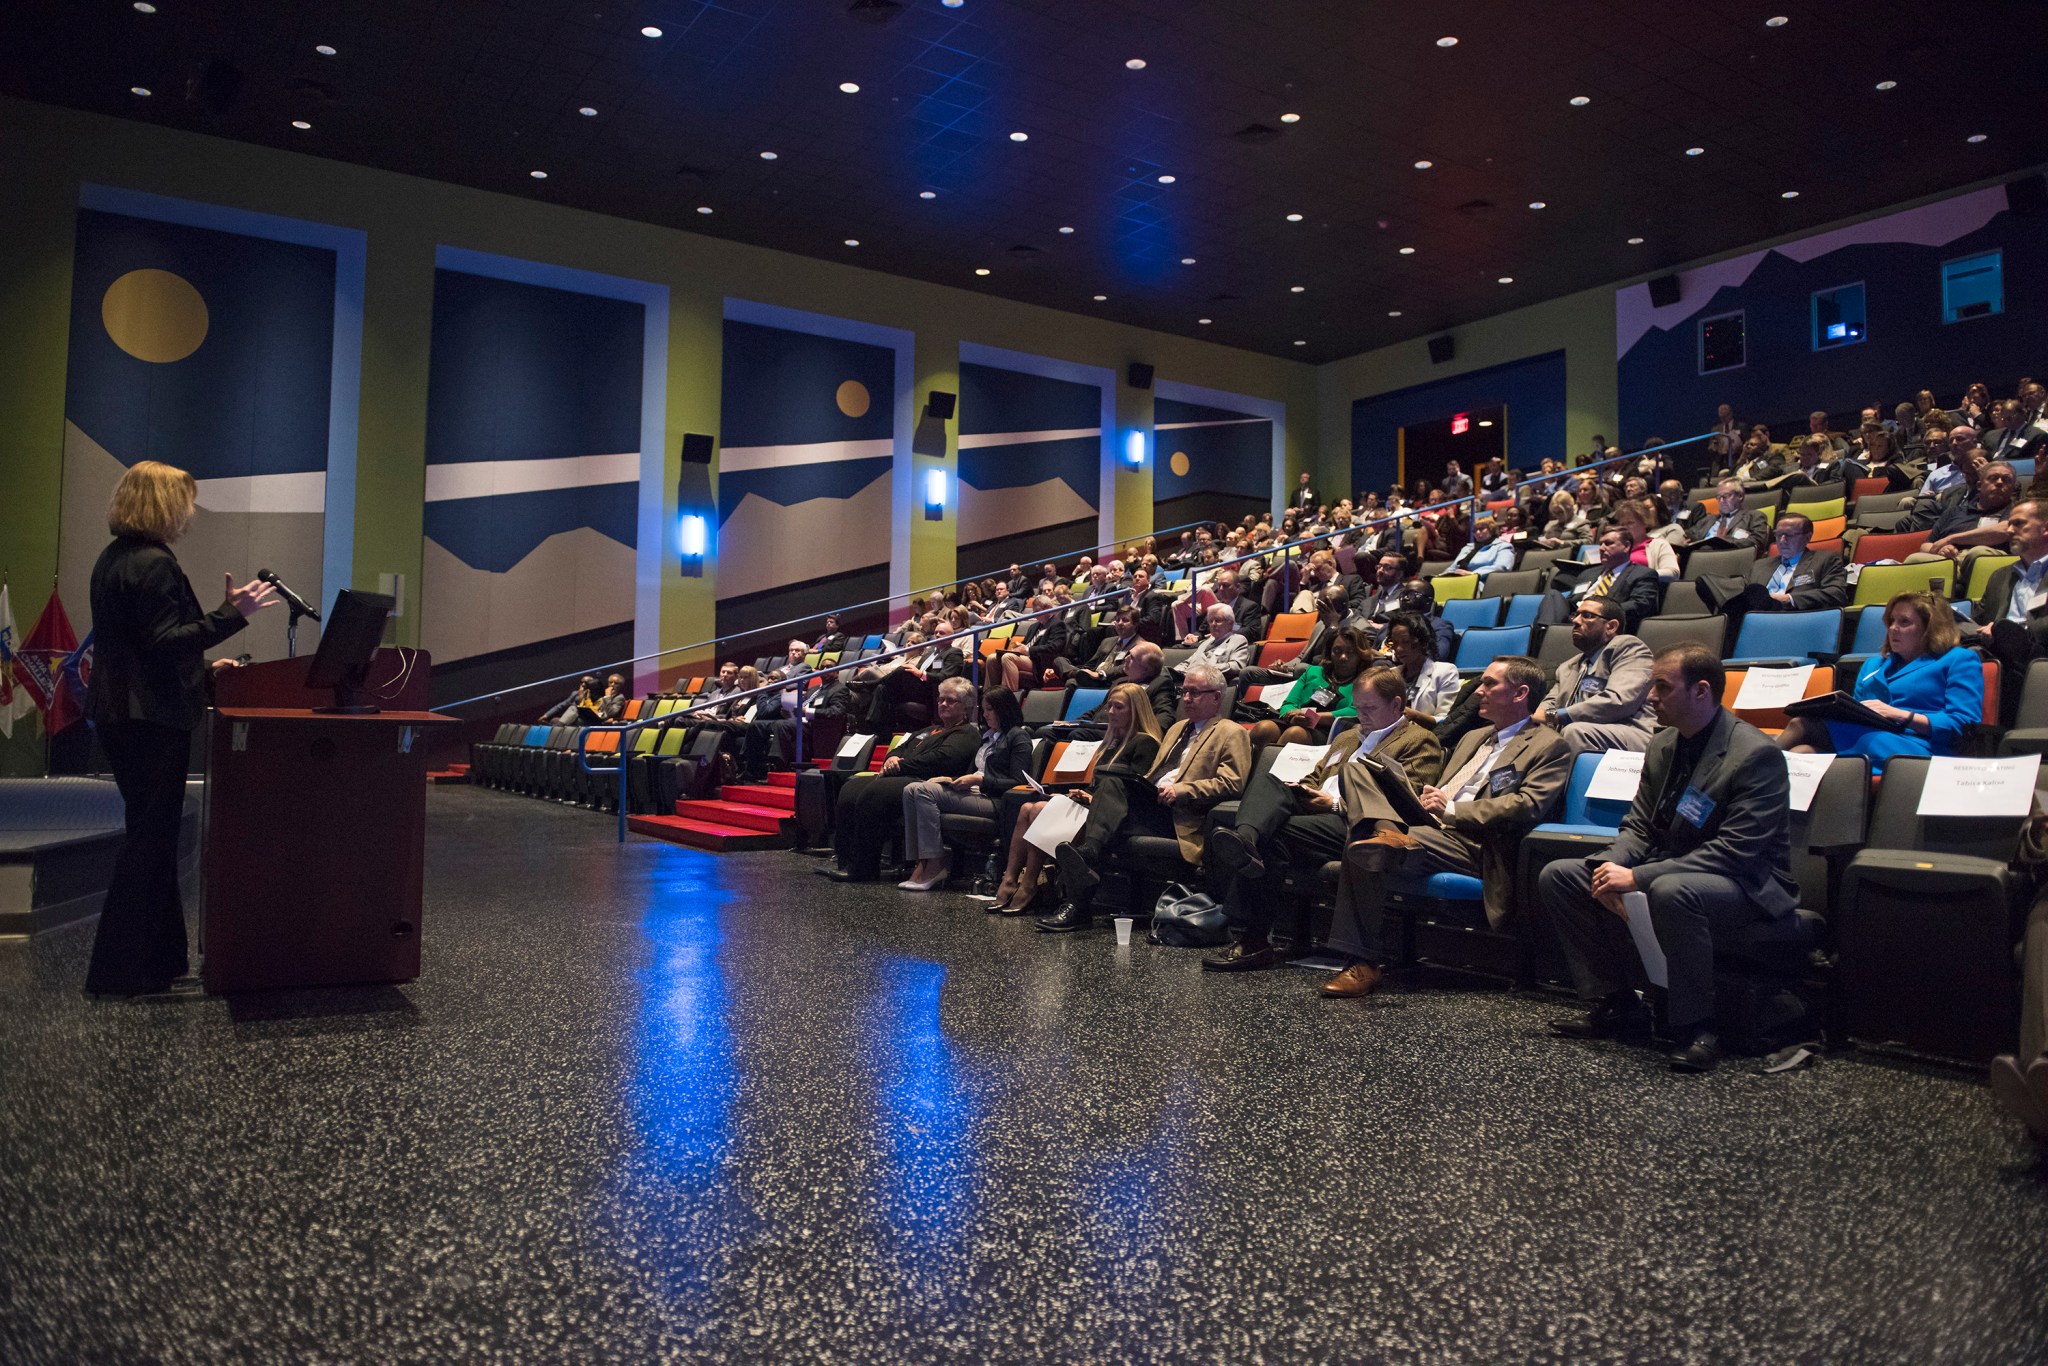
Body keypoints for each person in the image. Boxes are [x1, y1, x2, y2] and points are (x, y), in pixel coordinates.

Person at [1539, 643, 1800, 1074]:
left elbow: (1735, 852)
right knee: (1563, 875)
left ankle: (1697, 1027)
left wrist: (1637, 876)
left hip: (1747, 884)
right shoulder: (1662, 744)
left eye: (1662, 686)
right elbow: (1638, 826)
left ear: (1701, 691)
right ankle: (1618, 1004)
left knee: (1671, 889)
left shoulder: (1755, 754)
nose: (1650, 697)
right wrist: (1610, 869)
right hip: (1676, 870)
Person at [84, 460, 277, 998]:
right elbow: (166, 641)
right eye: (184, 502)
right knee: (148, 843)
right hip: (151, 721)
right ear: (165, 505)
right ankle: (118, 973)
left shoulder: (114, 559)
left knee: (153, 838)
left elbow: (141, 646)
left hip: (123, 714)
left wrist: (204, 672)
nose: (189, 513)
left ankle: (160, 961)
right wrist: (230, 615)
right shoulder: (155, 564)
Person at [1318, 657, 1573, 998]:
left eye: (1489, 684)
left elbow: (1527, 804)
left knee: (1362, 845)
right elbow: (1438, 786)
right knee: (1359, 769)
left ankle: (1361, 961)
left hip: (1476, 843)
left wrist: (1453, 809)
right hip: (1428, 827)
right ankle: (1384, 832)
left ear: (1520, 693)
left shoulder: (1550, 745)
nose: (1478, 691)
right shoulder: (1474, 737)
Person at [1202, 667, 1444, 971]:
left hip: (1357, 823)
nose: (1362, 715)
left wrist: (1333, 804)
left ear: (1396, 705)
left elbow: (1404, 799)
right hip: (1316, 814)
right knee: (1273, 778)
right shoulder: (1346, 737)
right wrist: (1305, 790)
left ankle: (1253, 938)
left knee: (1274, 836)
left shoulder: (1419, 740)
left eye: (1370, 708)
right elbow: (1316, 776)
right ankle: (1246, 839)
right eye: (1358, 707)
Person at [1039, 662, 1250, 933]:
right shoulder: (1176, 729)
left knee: (1110, 792)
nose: (1186, 698)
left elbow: (1233, 782)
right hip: (1152, 801)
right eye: (1184, 691)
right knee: (1109, 787)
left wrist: (1183, 790)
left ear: (1217, 697)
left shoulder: (1231, 732)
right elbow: (1153, 773)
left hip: (1179, 814)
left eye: (1194, 693)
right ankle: (1080, 888)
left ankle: (1080, 893)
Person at [994, 682, 1162, 914]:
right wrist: (1085, 795)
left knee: (1039, 810)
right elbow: (1103, 787)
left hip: (1118, 819)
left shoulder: (1145, 743)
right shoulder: (1111, 743)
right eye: (1109, 706)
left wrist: (1093, 800)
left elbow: (1132, 792)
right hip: (1097, 807)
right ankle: (1011, 879)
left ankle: (1029, 885)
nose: (1111, 712)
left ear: (1136, 710)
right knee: (1027, 808)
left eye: (1119, 707)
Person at [1775, 591, 1982, 770]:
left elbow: (1964, 723)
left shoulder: (1958, 660)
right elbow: (1856, 714)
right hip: (1868, 738)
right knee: (1802, 753)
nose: (1893, 628)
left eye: (1904, 622)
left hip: (1920, 746)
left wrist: (1902, 715)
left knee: (1802, 725)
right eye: (1891, 621)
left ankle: (1749, 771)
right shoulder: (1873, 665)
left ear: (1930, 628)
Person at [821, 677, 981, 883]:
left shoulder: (967, 733)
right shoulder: (929, 729)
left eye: (951, 701)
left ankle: (864, 868)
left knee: (875, 794)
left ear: (966, 705)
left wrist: (899, 767)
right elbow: (900, 748)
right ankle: (846, 861)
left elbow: (941, 760)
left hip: (927, 782)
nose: (943, 704)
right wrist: (891, 758)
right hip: (904, 775)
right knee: (851, 788)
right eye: (941, 699)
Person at [897, 687, 1034, 892]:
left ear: (1003, 709)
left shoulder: (1018, 737)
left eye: (990, 710)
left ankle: (935, 864)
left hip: (995, 800)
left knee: (923, 791)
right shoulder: (988, 736)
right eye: (984, 710)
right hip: (974, 794)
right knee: (911, 789)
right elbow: (973, 772)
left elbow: (1018, 782)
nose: (985, 714)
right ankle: (922, 863)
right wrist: (949, 779)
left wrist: (979, 782)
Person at [1535, 599, 1657, 754]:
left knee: (1576, 732)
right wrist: (1534, 720)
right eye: (1576, 615)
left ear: (1611, 626)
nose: (1576, 621)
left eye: (1587, 615)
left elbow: (1619, 700)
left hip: (1630, 730)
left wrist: (1553, 716)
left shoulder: (1628, 648)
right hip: (1580, 730)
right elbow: (1550, 703)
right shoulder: (1568, 666)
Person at [1694, 513, 1847, 619]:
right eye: (1779, 535)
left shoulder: (1826, 559)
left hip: (1791, 614)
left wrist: (1788, 599)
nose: (1782, 540)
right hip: (1753, 612)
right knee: (1705, 581)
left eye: (1789, 535)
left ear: (1808, 537)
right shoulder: (1761, 565)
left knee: (1752, 595)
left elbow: (1836, 594)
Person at [1247, 624, 1372, 748]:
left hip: (1327, 731)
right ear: (1330, 653)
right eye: (1337, 651)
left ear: (1360, 654)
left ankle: (1266, 767)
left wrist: (1314, 717)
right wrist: (1292, 716)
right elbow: (1289, 703)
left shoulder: (1364, 682)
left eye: (1351, 652)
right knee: (1263, 729)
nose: (1343, 657)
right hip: (1296, 722)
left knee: (1295, 734)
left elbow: (1355, 711)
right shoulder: (1313, 672)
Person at [1564, 527, 1662, 631]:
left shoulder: (1642, 574)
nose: (1601, 548)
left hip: (1607, 626)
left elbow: (1639, 604)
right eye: (1600, 544)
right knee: (1554, 596)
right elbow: (1572, 600)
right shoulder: (1587, 573)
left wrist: (1597, 609)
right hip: (1574, 620)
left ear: (1626, 546)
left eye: (1608, 543)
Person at [1385, 612, 1460, 727]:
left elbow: (1447, 721)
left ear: (1422, 642)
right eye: (1395, 643)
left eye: (1405, 642)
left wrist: (1416, 716)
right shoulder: (1391, 674)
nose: (1398, 649)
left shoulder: (1445, 672)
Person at [1177, 602, 1252, 683]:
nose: (1213, 624)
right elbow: (1187, 663)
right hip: (1188, 681)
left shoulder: (1238, 640)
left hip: (1211, 685)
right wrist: (1176, 672)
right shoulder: (1205, 643)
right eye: (1210, 621)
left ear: (1230, 623)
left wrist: (1204, 671)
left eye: (1218, 620)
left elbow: (1237, 666)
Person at [1684, 480, 1771, 547]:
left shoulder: (1754, 516)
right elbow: (1689, 534)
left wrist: (1721, 543)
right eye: (1718, 497)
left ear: (1740, 496)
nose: (1721, 501)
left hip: (1732, 558)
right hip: (1700, 557)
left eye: (1726, 496)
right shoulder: (1708, 519)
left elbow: (1758, 541)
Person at [1444, 516, 1517, 577]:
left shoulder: (1503, 547)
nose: (1477, 532)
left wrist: (1474, 574)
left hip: (1482, 584)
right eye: (1475, 530)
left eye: (1481, 529)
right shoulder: (1467, 548)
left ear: (1491, 529)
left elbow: (1502, 566)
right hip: (1456, 581)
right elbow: (1453, 567)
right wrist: (1443, 576)